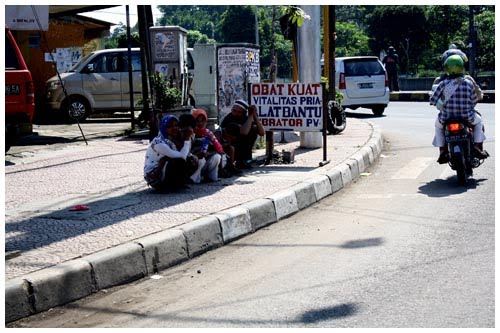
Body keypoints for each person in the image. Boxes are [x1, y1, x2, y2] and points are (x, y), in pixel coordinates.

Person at [429, 55, 488, 164]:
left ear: (447, 68)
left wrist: (439, 102)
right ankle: (477, 147)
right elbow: (474, 100)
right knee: (479, 123)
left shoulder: (442, 84)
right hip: (467, 116)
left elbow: (432, 100)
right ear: (462, 67)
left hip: (446, 118)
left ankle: (442, 151)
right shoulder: (468, 83)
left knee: (438, 127)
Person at [143, 115, 193, 192]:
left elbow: (186, 155)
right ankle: (166, 186)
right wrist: (187, 139)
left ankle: (178, 184)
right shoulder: (159, 142)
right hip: (153, 176)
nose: (174, 128)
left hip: (163, 170)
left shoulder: (171, 139)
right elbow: (182, 156)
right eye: (169, 126)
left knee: (191, 160)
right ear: (164, 128)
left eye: (176, 125)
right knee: (176, 161)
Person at [220, 99, 265, 169]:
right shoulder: (229, 118)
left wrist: (255, 116)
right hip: (230, 146)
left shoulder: (245, 118)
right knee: (246, 132)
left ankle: (244, 160)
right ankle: (237, 162)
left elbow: (262, 133)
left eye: (238, 112)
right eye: (234, 110)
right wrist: (250, 116)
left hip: (241, 145)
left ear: (243, 113)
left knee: (254, 129)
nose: (235, 113)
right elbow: (244, 132)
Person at [191, 108, 223, 182]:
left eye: (203, 120)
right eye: (197, 121)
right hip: (193, 162)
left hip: (204, 161)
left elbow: (220, 149)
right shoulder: (190, 132)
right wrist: (195, 155)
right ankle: (193, 179)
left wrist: (208, 153)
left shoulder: (208, 133)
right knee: (201, 160)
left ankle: (211, 177)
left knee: (217, 157)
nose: (200, 123)